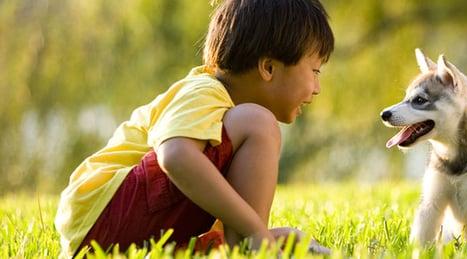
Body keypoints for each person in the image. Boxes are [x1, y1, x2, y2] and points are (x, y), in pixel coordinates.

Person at [54, 0, 335, 257]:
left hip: (108, 229)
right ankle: (250, 246)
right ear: (269, 67)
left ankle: (242, 246)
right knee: (259, 122)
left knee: (279, 233)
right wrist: (257, 232)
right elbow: (174, 156)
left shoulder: (223, 120)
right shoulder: (206, 91)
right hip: (104, 215)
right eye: (315, 72)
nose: (317, 88)